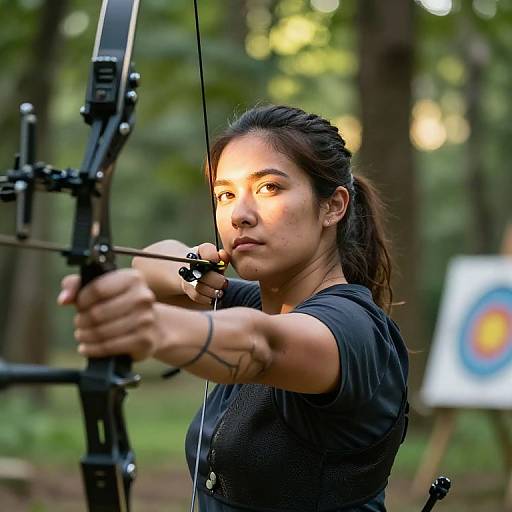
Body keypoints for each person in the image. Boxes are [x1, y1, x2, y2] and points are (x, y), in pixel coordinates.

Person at [58, 104, 408, 511]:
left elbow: (262, 346)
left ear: (333, 206)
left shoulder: (353, 329)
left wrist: (149, 327)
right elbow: (148, 263)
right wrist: (190, 272)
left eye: (269, 188)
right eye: (225, 194)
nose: (239, 215)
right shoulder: (253, 300)